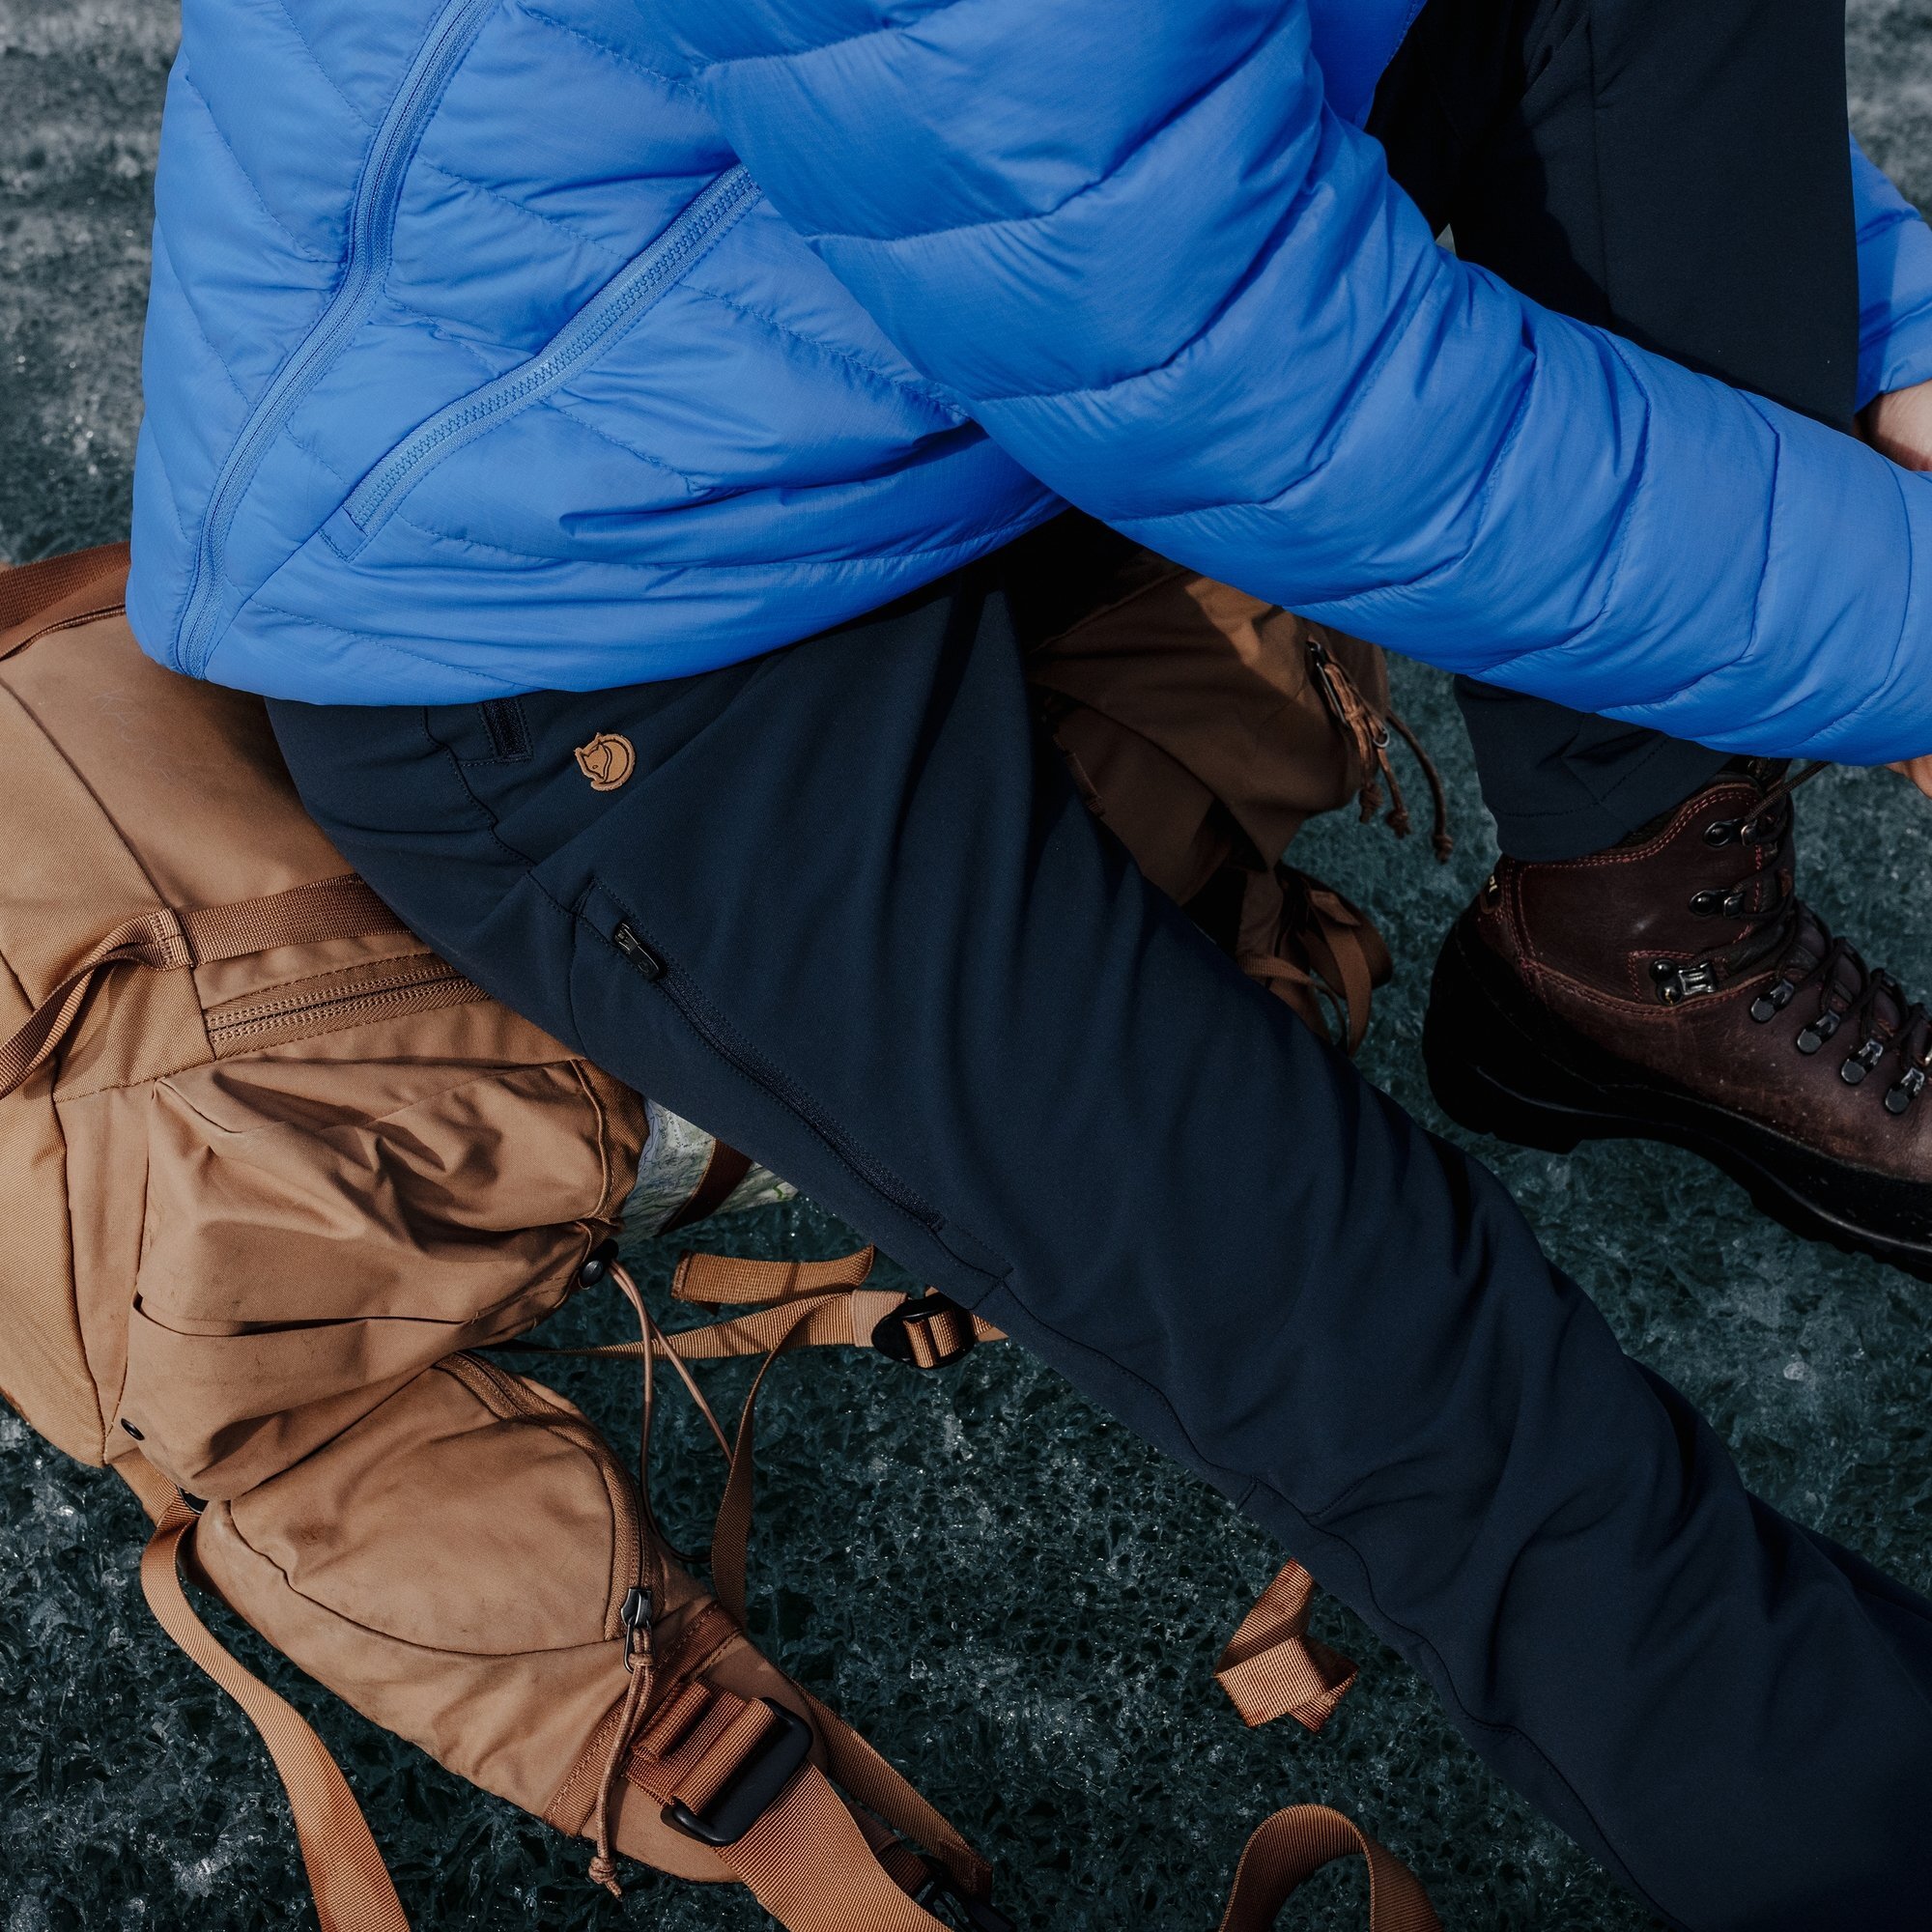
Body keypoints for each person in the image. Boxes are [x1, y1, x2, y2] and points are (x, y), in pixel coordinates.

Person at [128, 0, 1932, 1922]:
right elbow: (1271, 389)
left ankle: (1636, 926)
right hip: (569, 622)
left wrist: (1888, 338)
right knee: (1435, 1388)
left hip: (930, 357)